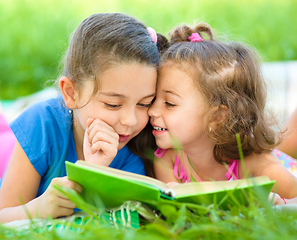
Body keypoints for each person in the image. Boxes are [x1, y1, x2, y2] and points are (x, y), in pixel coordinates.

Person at [0, 12, 161, 222]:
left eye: (144, 103)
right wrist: (37, 209)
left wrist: (92, 171)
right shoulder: (41, 124)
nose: (130, 120)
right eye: (113, 104)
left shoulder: (136, 145)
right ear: (71, 93)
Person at [148, 22, 297, 205]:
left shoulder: (254, 161)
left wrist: (274, 204)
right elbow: (175, 213)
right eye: (154, 98)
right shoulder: (168, 159)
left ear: (217, 117)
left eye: (169, 104)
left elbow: (292, 196)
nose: (152, 110)